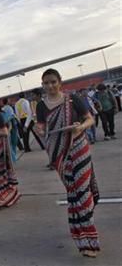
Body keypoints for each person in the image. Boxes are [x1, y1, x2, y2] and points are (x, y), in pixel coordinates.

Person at [35, 68, 100, 258]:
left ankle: (89, 239)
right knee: (74, 192)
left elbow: (90, 119)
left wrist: (80, 127)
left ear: (60, 82)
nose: (50, 85)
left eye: (53, 81)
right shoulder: (40, 105)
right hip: (58, 153)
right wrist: (40, 130)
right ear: (42, 85)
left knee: (81, 191)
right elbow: (41, 125)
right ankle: (81, 235)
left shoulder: (72, 100)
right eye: (46, 83)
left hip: (79, 148)